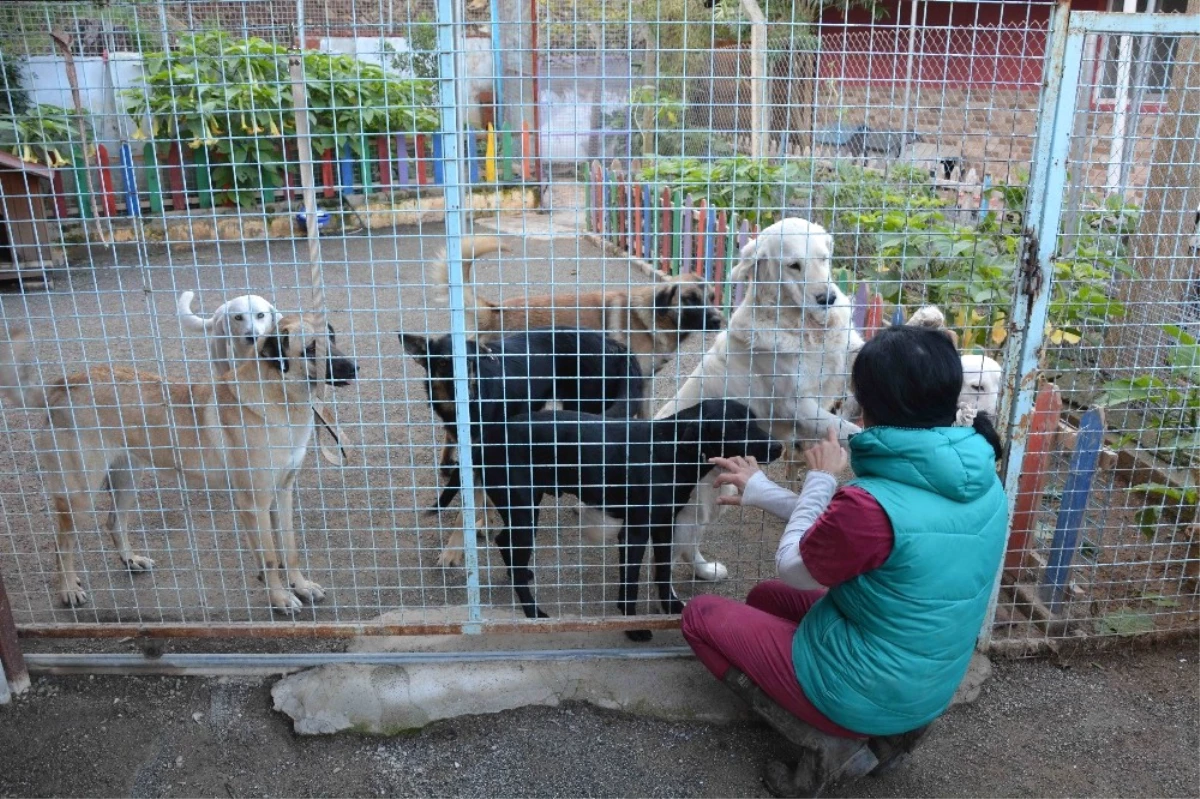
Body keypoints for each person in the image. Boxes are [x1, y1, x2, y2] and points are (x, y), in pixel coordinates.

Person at [681, 324, 1008, 763]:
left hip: (866, 691)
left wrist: (820, 477)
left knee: (701, 615)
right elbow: (854, 529)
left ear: (867, 405)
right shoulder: (978, 470)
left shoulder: (870, 504)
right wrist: (761, 490)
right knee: (762, 599)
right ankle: (877, 726)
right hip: (929, 679)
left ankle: (830, 741)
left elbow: (794, 567)